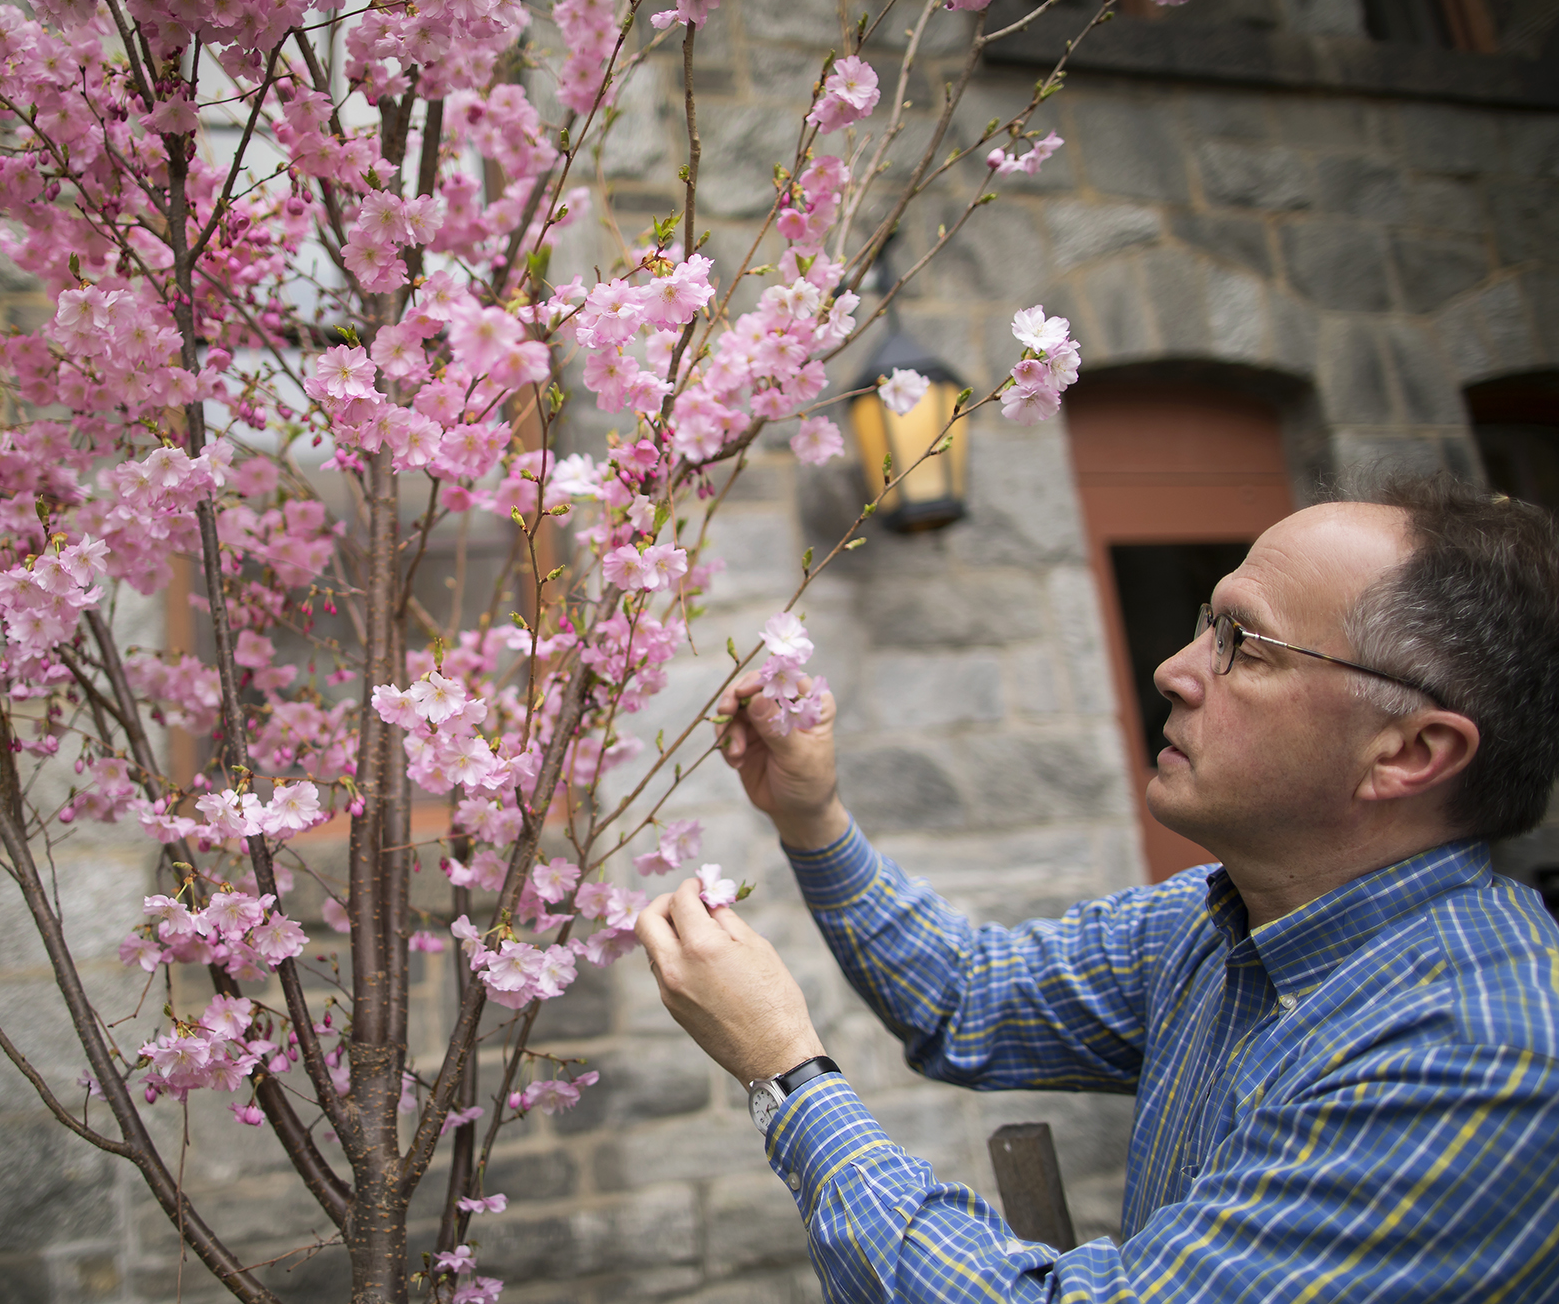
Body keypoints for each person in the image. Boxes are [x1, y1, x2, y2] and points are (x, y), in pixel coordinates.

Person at [635, 477, 1559, 1301]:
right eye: (1209, 620)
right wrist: (814, 817)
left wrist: (789, 1076)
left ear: (1408, 753)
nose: (1177, 668)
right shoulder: (1224, 920)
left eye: (1246, 644)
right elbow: (969, 997)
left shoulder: (1481, 1053)